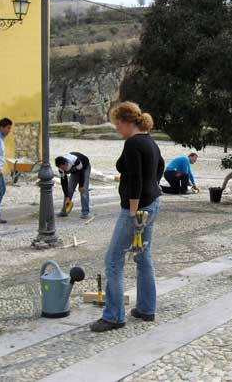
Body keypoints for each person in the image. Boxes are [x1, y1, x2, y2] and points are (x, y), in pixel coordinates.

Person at [90, 102, 164, 332]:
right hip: (152, 203)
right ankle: (146, 308)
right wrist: (151, 189)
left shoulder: (133, 144)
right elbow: (159, 168)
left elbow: (134, 181)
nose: (116, 129)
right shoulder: (151, 141)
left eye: (117, 124)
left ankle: (114, 316)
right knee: (143, 257)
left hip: (136, 210)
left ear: (125, 121)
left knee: (113, 259)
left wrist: (133, 212)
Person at [55, 152, 91, 219]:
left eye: (63, 168)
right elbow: (64, 183)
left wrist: (81, 185)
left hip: (84, 168)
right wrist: (67, 196)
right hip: (75, 170)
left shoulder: (75, 160)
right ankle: (64, 211)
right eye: (61, 168)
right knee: (69, 189)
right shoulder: (61, 168)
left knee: (83, 190)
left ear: (65, 164)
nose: (62, 169)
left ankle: (85, 212)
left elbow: (81, 172)